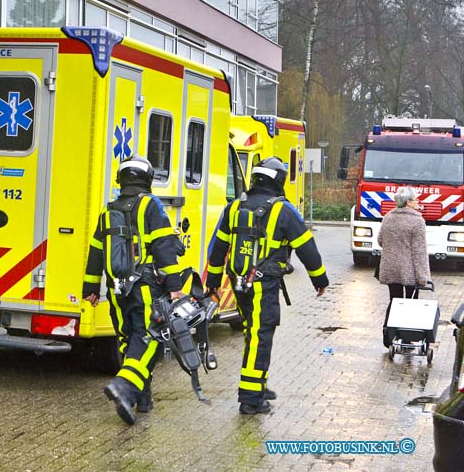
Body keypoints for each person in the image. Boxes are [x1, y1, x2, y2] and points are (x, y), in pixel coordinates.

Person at [206, 156, 328, 415]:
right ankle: (251, 399)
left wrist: (213, 283)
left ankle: (257, 385)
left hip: (238, 282)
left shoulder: (234, 207)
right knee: (260, 336)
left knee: (253, 333)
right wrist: (320, 280)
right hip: (264, 283)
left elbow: (217, 249)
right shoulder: (284, 210)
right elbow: (307, 249)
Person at [82, 155, 184, 425]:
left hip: (116, 291)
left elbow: (95, 251)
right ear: (147, 179)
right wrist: (175, 288)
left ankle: (140, 399)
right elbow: (163, 247)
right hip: (145, 288)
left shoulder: (108, 210)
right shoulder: (151, 205)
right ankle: (124, 386)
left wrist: (91, 287)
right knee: (150, 337)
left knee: (130, 341)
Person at [377, 186, 430, 347]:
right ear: (408, 202)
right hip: (410, 271)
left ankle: (388, 336)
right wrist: (423, 276)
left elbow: (380, 240)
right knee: (411, 303)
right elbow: (419, 251)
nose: (418, 202)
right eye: (416, 199)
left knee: (394, 301)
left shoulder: (388, 217)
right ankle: (407, 338)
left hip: (390, 268)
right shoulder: (417, 221)